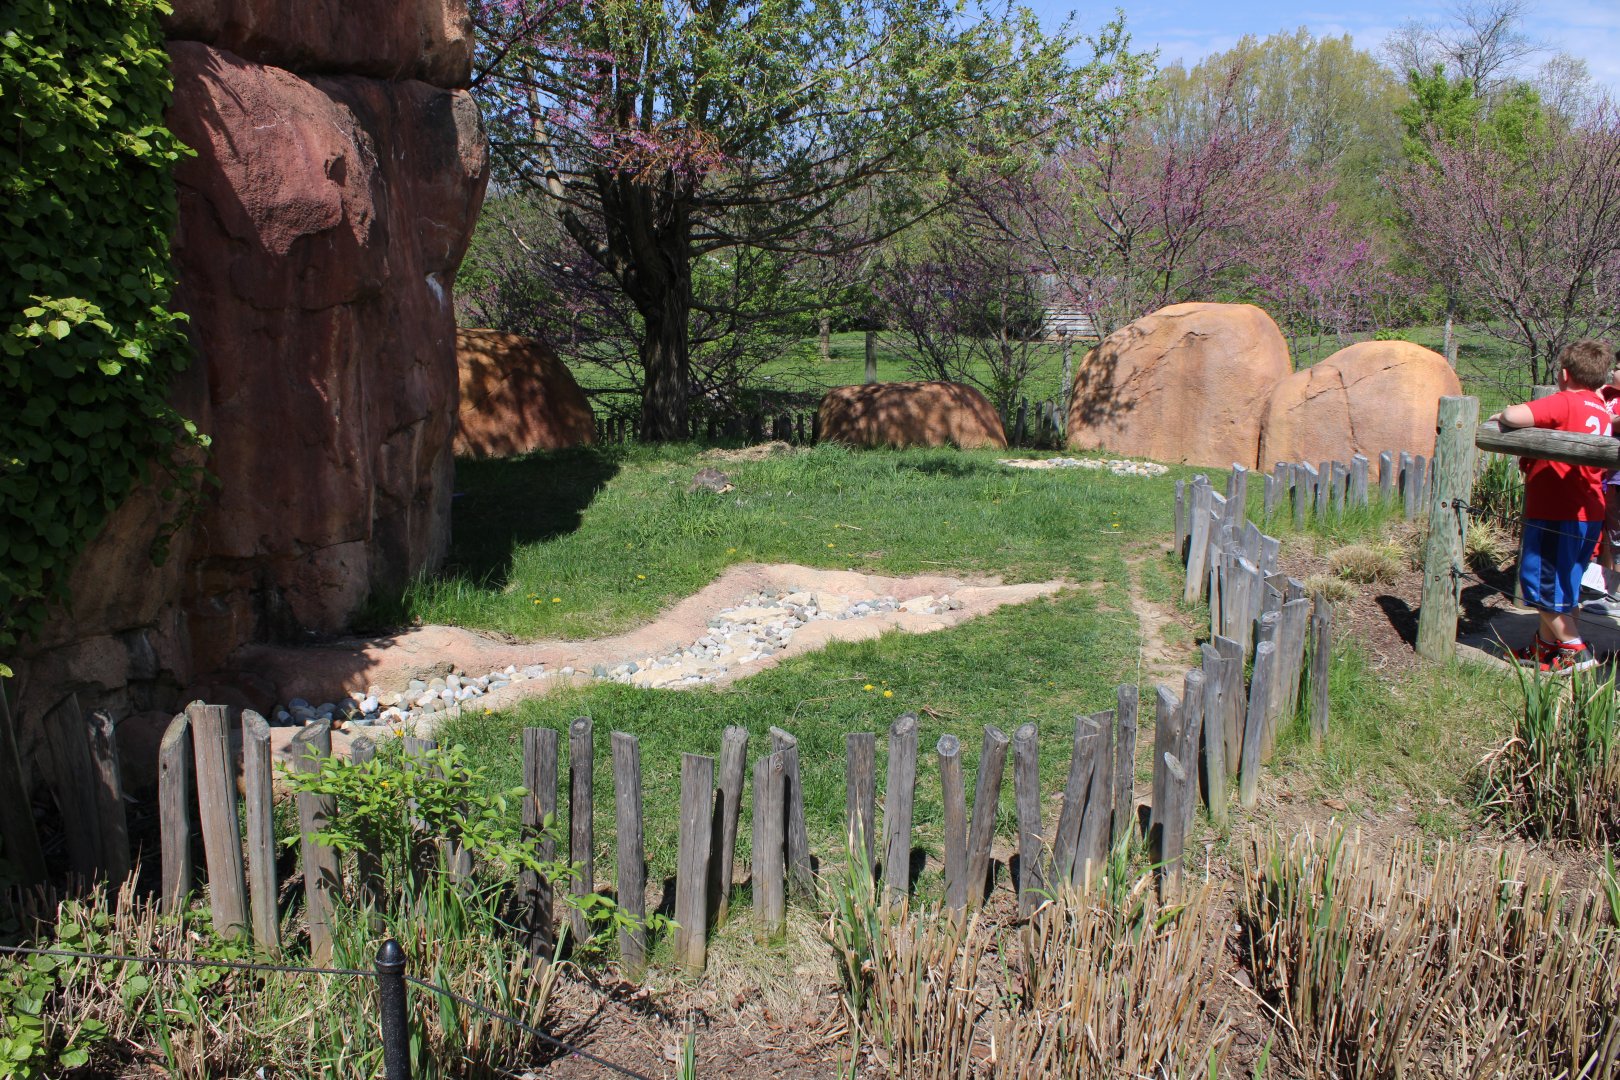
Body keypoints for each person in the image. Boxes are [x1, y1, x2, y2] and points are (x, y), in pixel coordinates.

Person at [1489, 339, 1616, 672]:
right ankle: (1546, 648)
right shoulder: (1601, 407)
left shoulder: (1565, 402)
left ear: (1563, 374)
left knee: (1541, 581)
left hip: (1556, 511)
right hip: (1588, 511)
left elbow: (1515, 415)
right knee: (1565, 585)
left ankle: (1575, 648)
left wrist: (1503, 414)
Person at [1580, 347, 1620, 618]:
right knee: (1611, 533)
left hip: (1616, 475)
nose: (1615, 371)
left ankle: (1615, 597)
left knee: (1617, 535)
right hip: (1606, 475)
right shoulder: (1607, 394)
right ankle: (1609, 587)